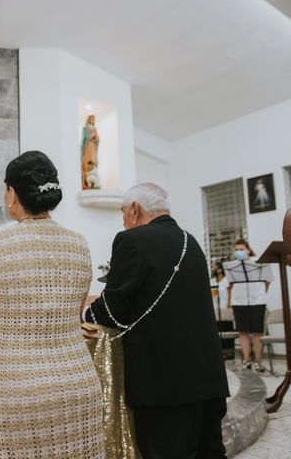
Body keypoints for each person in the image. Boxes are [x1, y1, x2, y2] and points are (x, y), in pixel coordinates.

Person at [0, 151, 105, 458]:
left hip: (17, 393)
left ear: (12, 193)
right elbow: (74, 311)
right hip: (77, 388)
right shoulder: (79, 243)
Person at [83, 182, 229, 459]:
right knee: (209, 452)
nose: (123, 220)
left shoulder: (132, 240)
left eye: (123, 212)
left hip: (164, 384)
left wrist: (85, 312)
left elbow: (113, 314)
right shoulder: (191, 240)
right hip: (207, 377)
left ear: (135, 209)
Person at [227, 239, 270, 372]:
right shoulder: (232, 265)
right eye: (237, 249)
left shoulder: (258, 262)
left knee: (257, 331)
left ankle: (258, 361)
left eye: (241, 249)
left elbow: (267, 280)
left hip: (257, 301)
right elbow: (230, 284)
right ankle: (246, 360)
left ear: (248, 249)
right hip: (239, 301)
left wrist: (260, 293)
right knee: (243, 331)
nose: (239, 252)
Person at [81, 114, 100, 190]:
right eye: (92, 119)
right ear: (89, 119)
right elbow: (84, 139)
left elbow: (98, 139)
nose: (93, 120)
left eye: (94, 119)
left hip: (93, 147)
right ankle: (86, 181)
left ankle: (93, 182)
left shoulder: (95, 129)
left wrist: (96, 138)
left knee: (93, 163)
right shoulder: (86, 128)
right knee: (88, 162)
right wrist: (91, 137)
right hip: (88, 147)